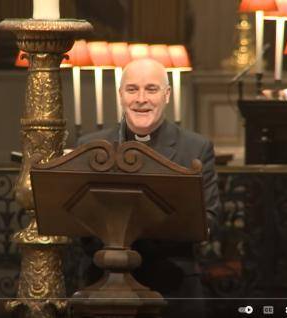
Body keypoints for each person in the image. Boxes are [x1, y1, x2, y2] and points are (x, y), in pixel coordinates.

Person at [77, 58, 221, 317]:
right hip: (101, 285)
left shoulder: (195, 148)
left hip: (173, 285)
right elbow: (77, 219)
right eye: (132, 89)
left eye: (151, 89)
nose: (141, 98)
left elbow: (209, 218)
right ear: (120, 94)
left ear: (167, 95)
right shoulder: (90, 146)